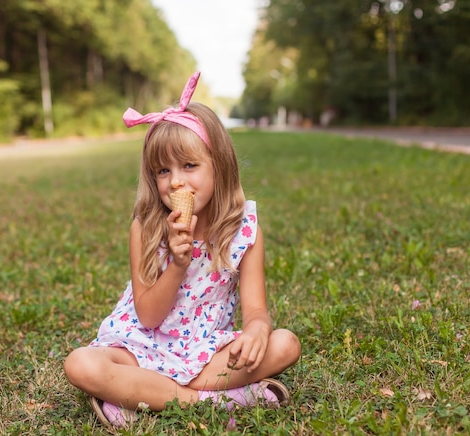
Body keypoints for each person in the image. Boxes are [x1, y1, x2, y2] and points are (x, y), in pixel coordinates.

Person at [64, 72, 301, 428]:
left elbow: (256, 310)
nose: (175, 180)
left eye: (189, 166)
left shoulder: (243, 231)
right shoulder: (145, 228)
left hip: (205, 354)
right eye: (163, 170)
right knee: (80, 364)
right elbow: (148, 317)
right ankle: (218, 402)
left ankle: (137, 398)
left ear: (219, 166)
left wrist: (256, 332)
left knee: (285, 344)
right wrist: (177, 263)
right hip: (141, 347)